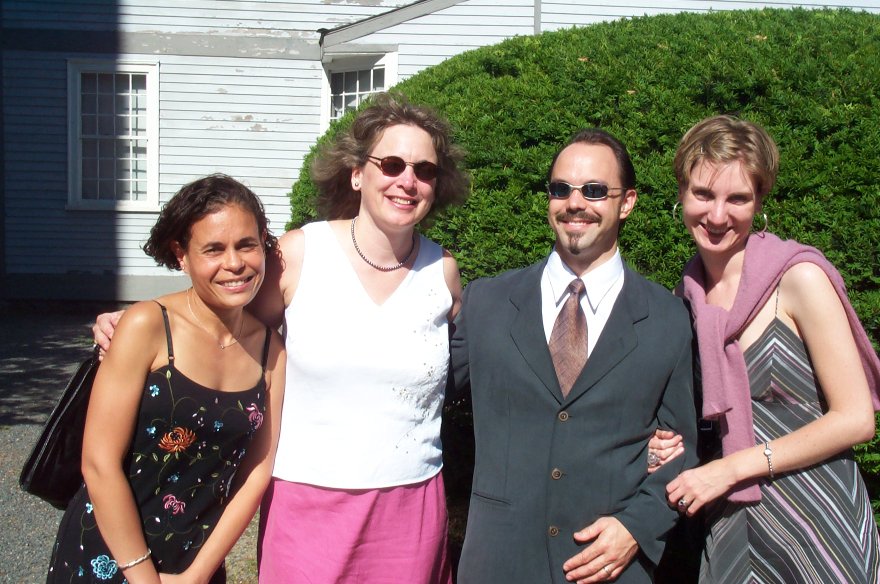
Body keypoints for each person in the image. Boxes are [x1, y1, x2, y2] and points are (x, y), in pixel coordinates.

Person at [94, 92, 469, 583]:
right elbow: (224, 325)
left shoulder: (442, 272)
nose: (408, 181)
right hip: (308, 503)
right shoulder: (300, 254)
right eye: (392, 164)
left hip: (411, 507)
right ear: (357, 173)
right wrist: (136, 325)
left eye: (425, 170)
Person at [449, 128, 698, 584]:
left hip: (609, 568)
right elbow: (419, 392)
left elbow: (682, 452)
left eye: (595, 190)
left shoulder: (667, 319)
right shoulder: (487, 303)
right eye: (561, 189)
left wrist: (636, 526)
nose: (575, 203)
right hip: (498, 564)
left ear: (627, 202)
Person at [652, 115, 880, 583]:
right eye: (703, 194)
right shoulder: (684, 299)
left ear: (760, 202)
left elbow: (857, 419)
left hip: (820, 520)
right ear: (680, 194)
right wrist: (665, 443)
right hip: (731, 526)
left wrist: (732, 468)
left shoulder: (799, 280)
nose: (718, 216)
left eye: (737, 198)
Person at [49, 174, 286, 583]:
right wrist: (143, 576)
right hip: (109, 553)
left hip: (193, 564)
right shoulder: (147, 325)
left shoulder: (271, 352)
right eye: (214, 249)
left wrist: (198, 573)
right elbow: (99, 462)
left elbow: (256, 473)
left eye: (246, 244)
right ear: (181, 255)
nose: (234, 263)